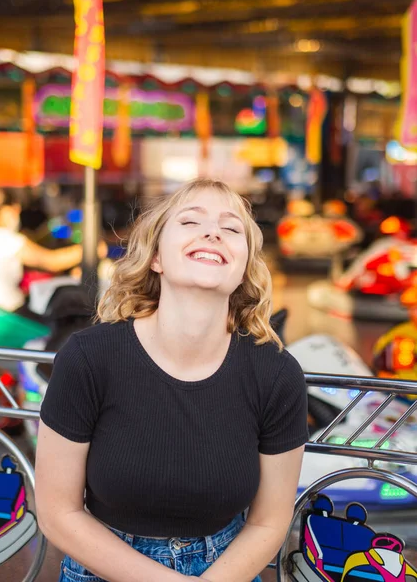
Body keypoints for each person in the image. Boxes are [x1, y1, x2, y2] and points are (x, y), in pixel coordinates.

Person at [35, 179, 308, 582]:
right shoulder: (89, 358)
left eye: (231, 229)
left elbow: (269, 522)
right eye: (191, 221)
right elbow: (58, 513)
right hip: (103, 568)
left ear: (244, 268)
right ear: (156, 257)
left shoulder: (277, 374)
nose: (213, 232)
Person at [0, 188, 106, 314]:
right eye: (15, 209)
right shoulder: (0, 237)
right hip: (12, 313)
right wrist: (91, 250)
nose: (18, 213)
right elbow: (51, 261)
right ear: (2, 210)